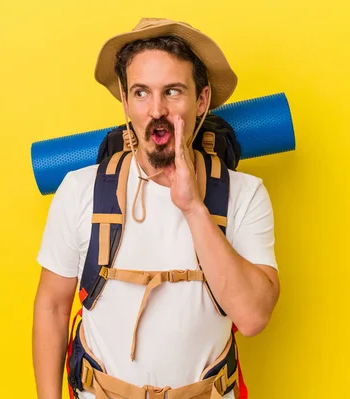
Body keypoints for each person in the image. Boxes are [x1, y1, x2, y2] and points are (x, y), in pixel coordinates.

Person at [32, 17, 280, 399]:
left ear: (201, 100)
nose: (157, 110)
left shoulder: (244, 195)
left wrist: (193, 207)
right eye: (142, 93)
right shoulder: (81, 190)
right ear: (127, 101)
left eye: (173, 91)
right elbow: (52, 306)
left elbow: (252, 317)